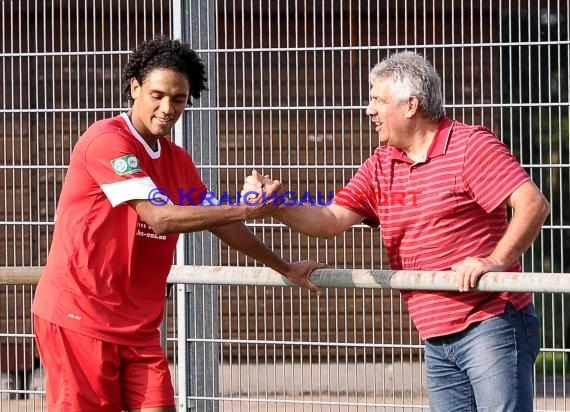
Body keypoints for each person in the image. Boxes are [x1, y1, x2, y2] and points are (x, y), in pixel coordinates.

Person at [243, 51, 550, 411]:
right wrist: (276, 204)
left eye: (377, 100)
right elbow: (329, 220)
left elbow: (532, 204)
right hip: (436, 335)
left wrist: (495, 261)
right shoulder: (381, 163)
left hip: (492, 323)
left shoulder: (470, 146)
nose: (368, 110)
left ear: (410, 105)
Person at [31, 36, 323, 412]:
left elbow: (226, 226)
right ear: (134, 87)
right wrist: (247, 209)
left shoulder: (178, 161)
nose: (167, 108)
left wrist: (285, 267)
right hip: (81, 318)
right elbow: (160, 216)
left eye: (179, 99)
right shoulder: (106, 141)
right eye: (157, 95)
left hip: (138, 328)